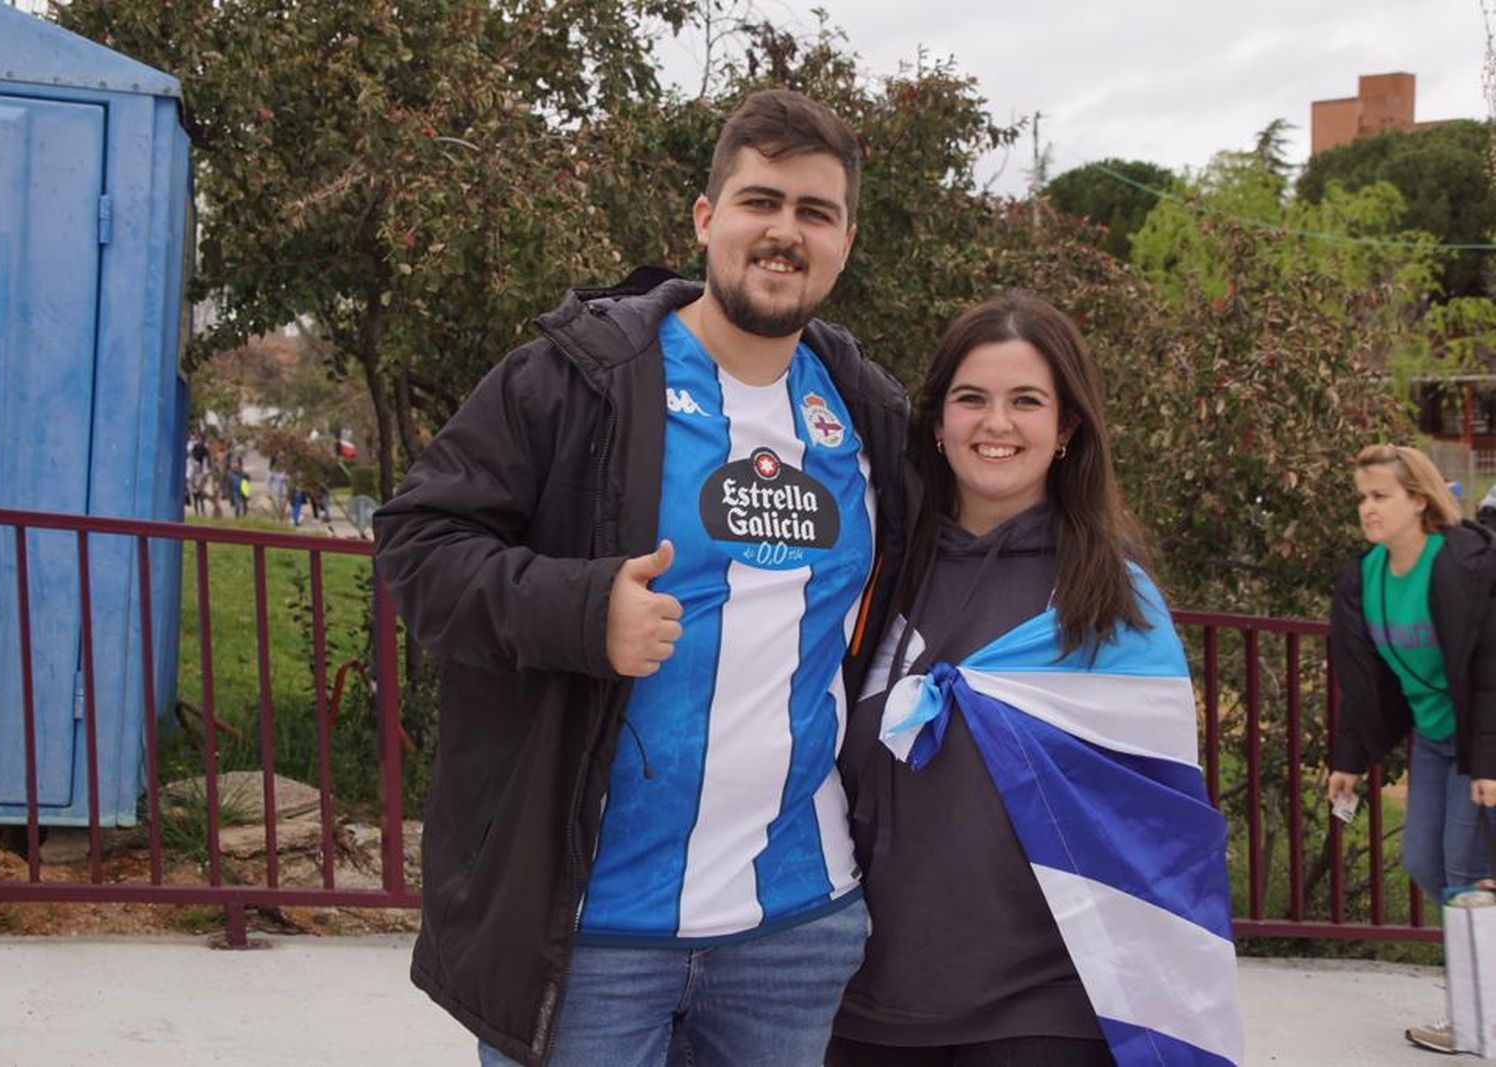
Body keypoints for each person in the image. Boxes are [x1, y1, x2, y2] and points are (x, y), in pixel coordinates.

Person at [373, 89, 913, 1067]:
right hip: (589, 932)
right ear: (706, 219)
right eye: (760, 200)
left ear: (845, 239)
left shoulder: (870, 415)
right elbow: (418, 545)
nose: (783, 231)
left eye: (814, 211)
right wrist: (585, 612)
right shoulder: (574, 375)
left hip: (797, 930)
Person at [830, 292, 1240, 1067]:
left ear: (1066, 429)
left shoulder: (1113, 602)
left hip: (1046, 1006)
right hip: (862, 993)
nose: (996, 424)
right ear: (937, 419)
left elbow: (1158, 828)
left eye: (1026, 401)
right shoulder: (876, 574)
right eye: (971, 399)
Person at [1327, 443, 1496, 1056]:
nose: (1367, 509)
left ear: (1418, 501)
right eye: (1362, 498)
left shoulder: (1462, 565)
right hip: (1434, 738)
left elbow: (1488, 668)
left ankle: (1476, 1021)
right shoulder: (1365, 577)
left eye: (1381, 497)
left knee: (1461, 868)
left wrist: (1487, 761)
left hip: (1482, 734)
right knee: (1424, 860)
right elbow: (1365, 678)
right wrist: (1349, 758)